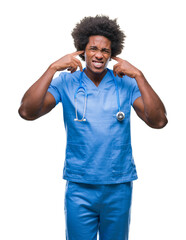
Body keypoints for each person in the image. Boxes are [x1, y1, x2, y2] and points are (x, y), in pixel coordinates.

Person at [18, 15, 168, 240]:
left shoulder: (125, 83)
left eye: (105, 51)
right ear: (82, 51)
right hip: (80, 186)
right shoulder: (66, 82)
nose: (99, 55)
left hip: (118, 185)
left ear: (112, 54)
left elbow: (158, 121)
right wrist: (51, 69)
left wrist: (139, 76)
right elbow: (27, 112)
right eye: (93, 48)